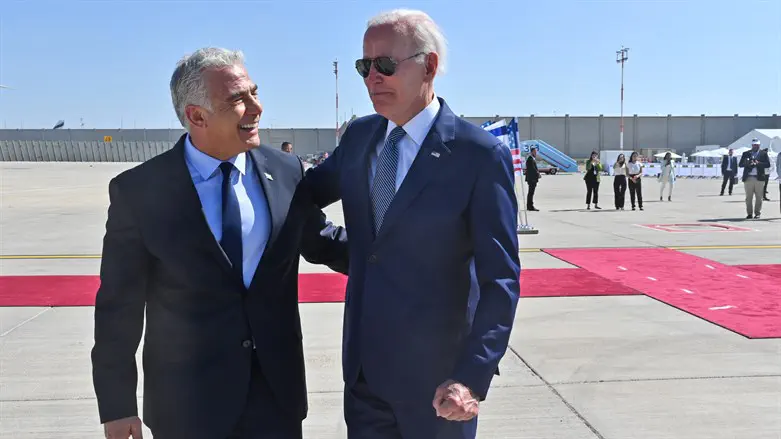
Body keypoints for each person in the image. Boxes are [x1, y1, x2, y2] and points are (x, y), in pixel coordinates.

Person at [90, 47, 349, 439]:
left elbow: (324, 242)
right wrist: (117, 405)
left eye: (254, 93)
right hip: (186, 406)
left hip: (275, 399)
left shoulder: (288, 172)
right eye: (237, 100)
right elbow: (118, 308)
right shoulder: (139, 192)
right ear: (196, 116)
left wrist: (415, 255)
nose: (256, 107)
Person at [302, 9, 520, 439]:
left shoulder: (477, 155)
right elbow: (296, 201)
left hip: (438, 387)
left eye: (385, 65)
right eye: (364, 67)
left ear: (430, 66)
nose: (371, 78)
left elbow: (501, 280)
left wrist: (472, 375)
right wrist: (343, 250)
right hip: (365, 380)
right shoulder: (360, 137)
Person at [739, 138, 771, 219]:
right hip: (748, 178)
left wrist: (758, 163)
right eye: (754, 145)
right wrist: (748, 163)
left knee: (759, 197)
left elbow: (767, 164)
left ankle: (757, 213)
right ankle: (749, 214)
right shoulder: (746, 153)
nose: (755, 146)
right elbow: (740, 164)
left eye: (757, 145)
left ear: (759, 145)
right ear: (752, 145)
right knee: (748, 197)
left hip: (759, 178)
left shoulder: (763, 153)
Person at [525, 146, 541, 211]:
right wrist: (538, 174)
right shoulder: (530, 159)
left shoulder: (532, 159)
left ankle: (530, 205)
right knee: (531, 193)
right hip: (532, 179)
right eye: (534, 152)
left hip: (533, 179)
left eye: (536, 152)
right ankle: (530, 206)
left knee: (531, 193)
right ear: (532, 152)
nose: (536, 153)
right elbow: (532, 169)